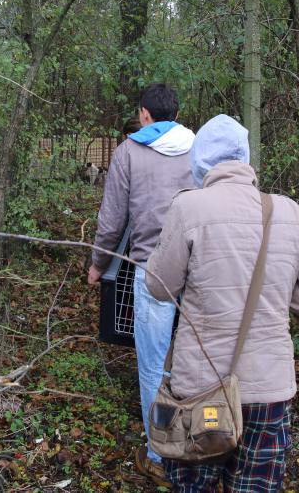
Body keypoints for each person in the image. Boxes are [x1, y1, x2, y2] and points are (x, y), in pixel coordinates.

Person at [145, 114, 299, 492]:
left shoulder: (189, 208)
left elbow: (157, 286)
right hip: (269, 392)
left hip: (201, 388)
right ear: (245, 157)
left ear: (199, 160)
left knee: (194, 484)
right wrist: (275, 298)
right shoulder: (287, 211)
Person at [87, 83, 195, 485]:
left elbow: (113, 219)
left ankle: (159, 456)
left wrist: (99, 263)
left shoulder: (129, 151)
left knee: (153, 367)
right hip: (197, 270)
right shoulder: (197, 147)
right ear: (177, 114)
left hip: (152, 271)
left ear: (144, 114)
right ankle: (200, 441)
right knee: (193, 361)